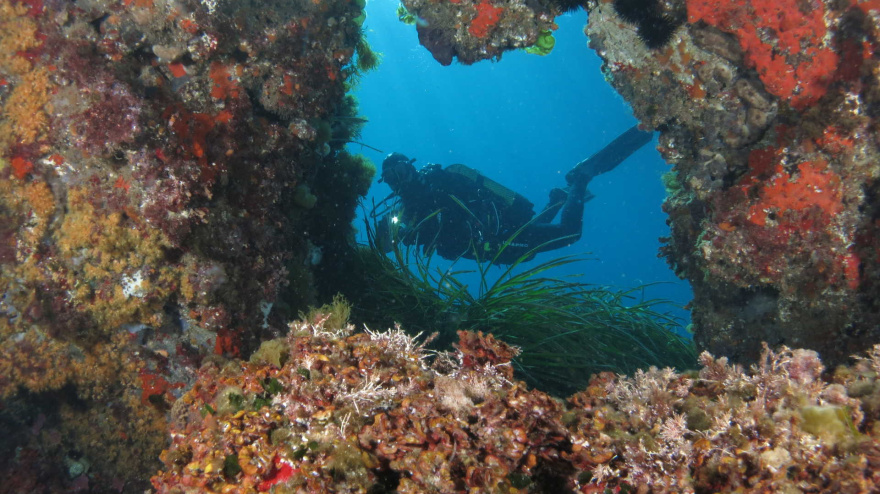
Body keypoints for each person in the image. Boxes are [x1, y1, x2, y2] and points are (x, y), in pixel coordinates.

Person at [375, 125, 653, 265]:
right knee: (530, 246)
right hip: (498, 246)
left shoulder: (439, 184)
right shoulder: (404, 212)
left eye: (400, 171)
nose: (397, 181)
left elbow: (452, 222)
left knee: (569, 234)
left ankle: (581, 177)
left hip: (502, 231)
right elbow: (388, 245)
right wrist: (398, 237)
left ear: (411, 168)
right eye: (390, 178)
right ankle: (558, 199)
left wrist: (414, 234)